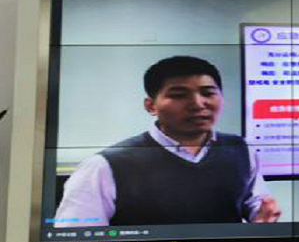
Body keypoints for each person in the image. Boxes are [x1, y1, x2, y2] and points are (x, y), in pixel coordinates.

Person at [54, 56, 281, 227]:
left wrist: (262, 216)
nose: (197, 104)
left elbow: (254, 204)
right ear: (151, 105)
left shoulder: (240, 149)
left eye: (208, 93)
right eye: (179, 95)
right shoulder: (104, 165)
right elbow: (77, 238)